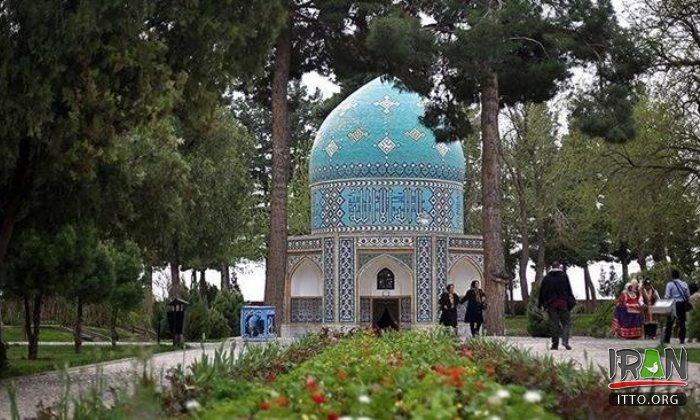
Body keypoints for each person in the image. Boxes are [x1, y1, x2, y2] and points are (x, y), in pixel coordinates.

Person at [538, 262, 576, 350]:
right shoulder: (563, 276)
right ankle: (565, 341)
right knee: (566, 323)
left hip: (551, 304)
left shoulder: (547, 278)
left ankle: (555, 345)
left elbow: (542, 292)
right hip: (562, 303)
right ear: (559, 267)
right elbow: (568, 290)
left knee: (554, 324)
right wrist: (571, 301)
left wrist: (540, 304)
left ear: (552, 267)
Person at [663, 269, 691, 344]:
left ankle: (667, 339)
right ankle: (682, 339)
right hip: (682, 304)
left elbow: (667, 296)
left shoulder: (669, 284)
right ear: (679, 275)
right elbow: (688, 295)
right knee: (682, 322)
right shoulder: (684, 284)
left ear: (672, 276)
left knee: (670, 322)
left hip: (673, 304)